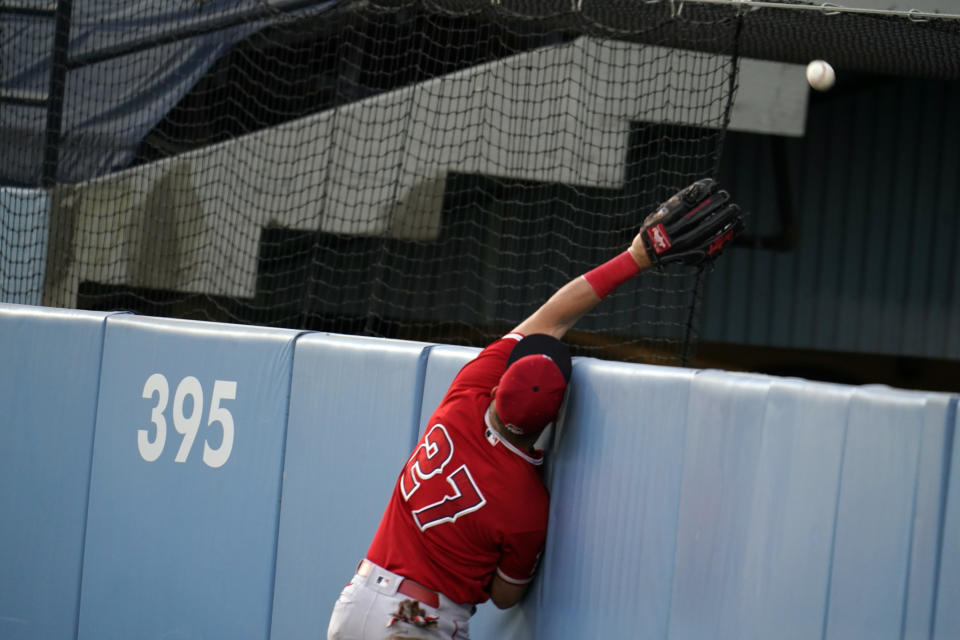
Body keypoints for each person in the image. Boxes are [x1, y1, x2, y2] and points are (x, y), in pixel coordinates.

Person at [326, 179, 742, 639]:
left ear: (501, 385)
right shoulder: (525, 504)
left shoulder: (464, 399)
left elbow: (553, 317)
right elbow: (505, 596)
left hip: (359, 598)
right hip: (416, 623)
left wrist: (637, 256)